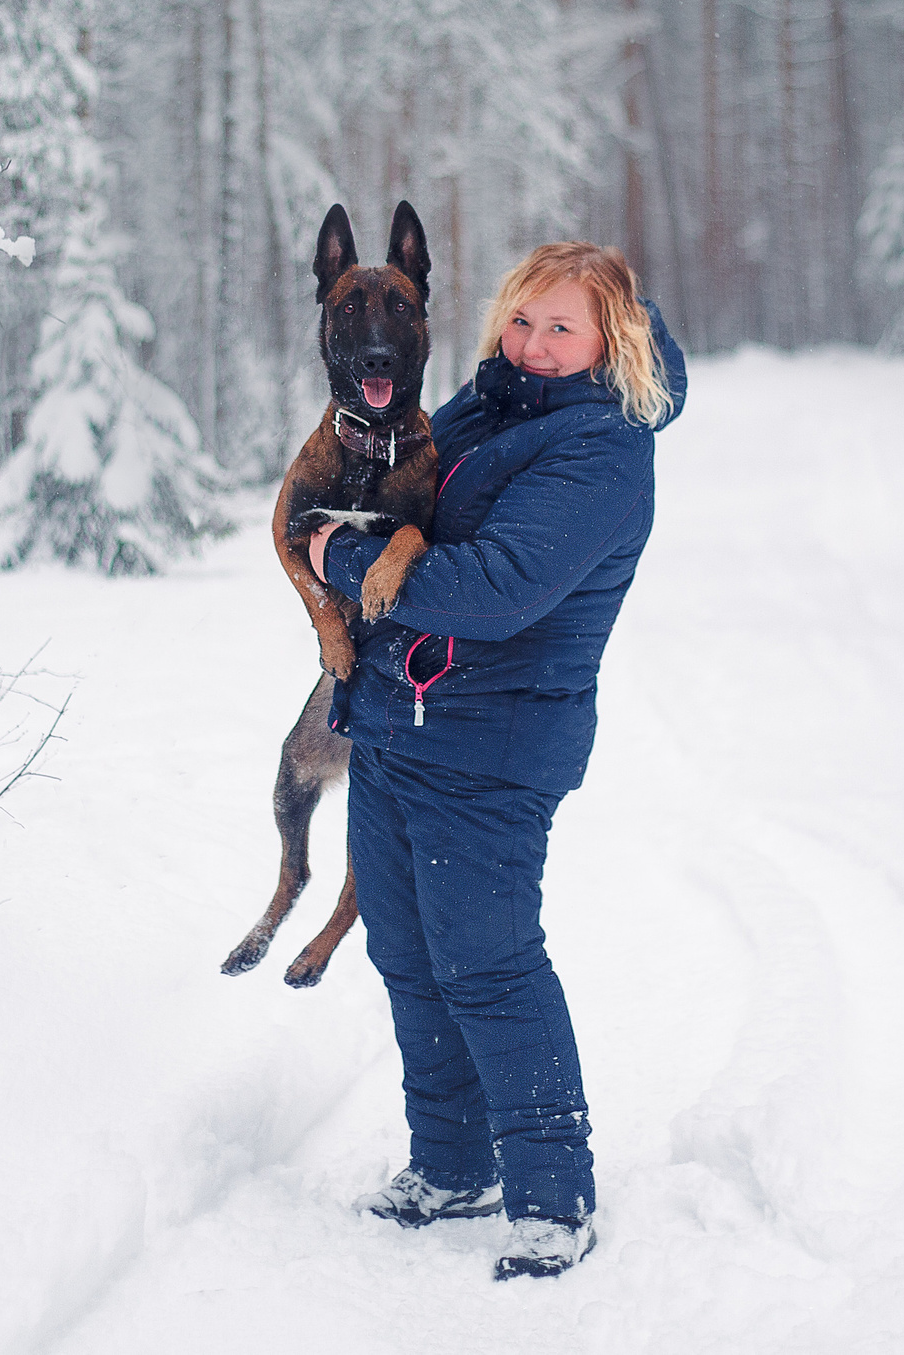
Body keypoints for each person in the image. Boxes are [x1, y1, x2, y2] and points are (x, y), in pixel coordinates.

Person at [306, 240, 686, 1282]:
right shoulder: (482, 407)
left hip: (493, 748)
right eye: (523, 320)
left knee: (488, 966)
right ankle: (450, 1167)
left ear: (613, 339)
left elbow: (492, 589)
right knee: (408, 956)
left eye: (561, 326)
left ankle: (553, 1199)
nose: (534, 342)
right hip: (396, 725)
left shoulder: (603, 448)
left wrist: (334, 553)